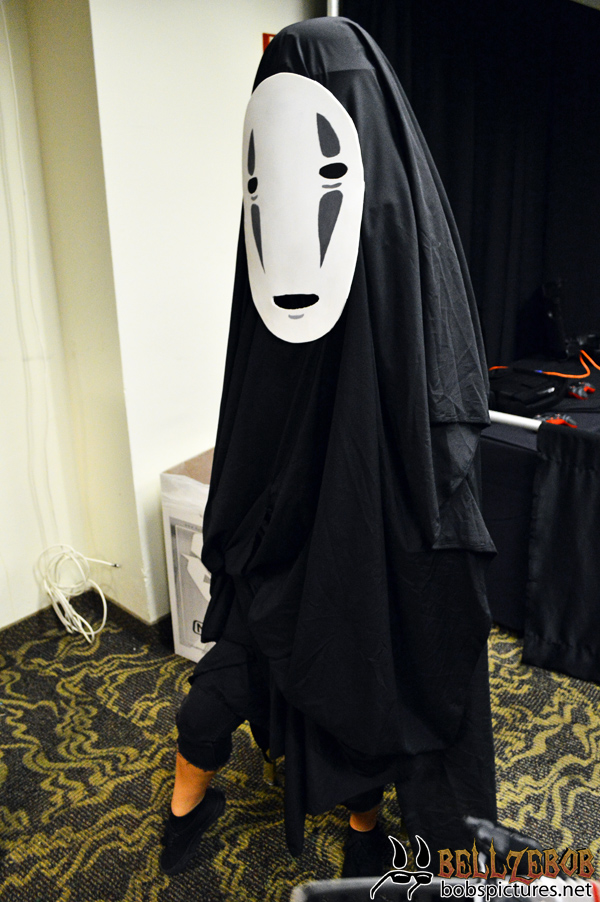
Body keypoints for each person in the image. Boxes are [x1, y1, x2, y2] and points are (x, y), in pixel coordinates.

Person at [161, 16, 497, 879]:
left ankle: (201, 800)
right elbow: (427, 378)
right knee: (348, 651)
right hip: (340, 505)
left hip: (302, 503)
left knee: (284, 642)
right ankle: (351, 823)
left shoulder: (318, 225)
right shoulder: (378, 218)